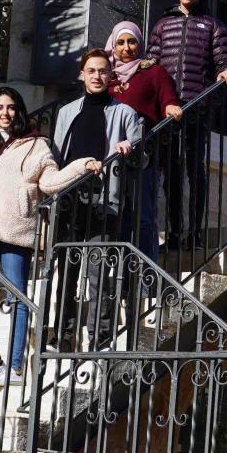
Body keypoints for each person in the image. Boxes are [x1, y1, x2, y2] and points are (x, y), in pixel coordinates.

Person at [0, 87, 81, 388]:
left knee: (18, 298)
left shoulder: (36, 145)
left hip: (16, 232)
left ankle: (16, 366)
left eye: (10, 107)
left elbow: (49, 181)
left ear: (18, 111)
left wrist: (78, 167)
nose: (5, 113)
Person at [48, 47, 146, 345]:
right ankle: (63, 335)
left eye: (103, 70)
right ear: (82, 75)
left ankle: (100, 337)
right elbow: (55, 157)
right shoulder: (66, 113)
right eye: (91, 70)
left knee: (99, 273)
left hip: (104, 202)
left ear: (111, 75)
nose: (97, 76)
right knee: (66, 272)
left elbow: (142, 157)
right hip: (69, 201)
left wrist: (130, 149)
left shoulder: (125, 113)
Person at [146, 0, 227, 247]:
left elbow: (223, 60)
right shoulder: (162, 25)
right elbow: (151, 62)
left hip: (197, 106)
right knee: (171, 170)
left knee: (194, 169)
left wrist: (225, 71)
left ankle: (194, 232)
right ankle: (173, 233)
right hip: (169, 109)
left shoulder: (212, 25)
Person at [105, 21, 180, 258]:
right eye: (120, 43)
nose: (126, 48)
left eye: (132, 41)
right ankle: (122, 282)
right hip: (112, 158)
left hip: (143, 158)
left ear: (140, 43)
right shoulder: (107, 78)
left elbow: (168, 98)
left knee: (143, 218)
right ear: (113, 46)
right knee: (116, 219)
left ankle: (148, 280)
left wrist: (171, 107)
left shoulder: (153, 72)